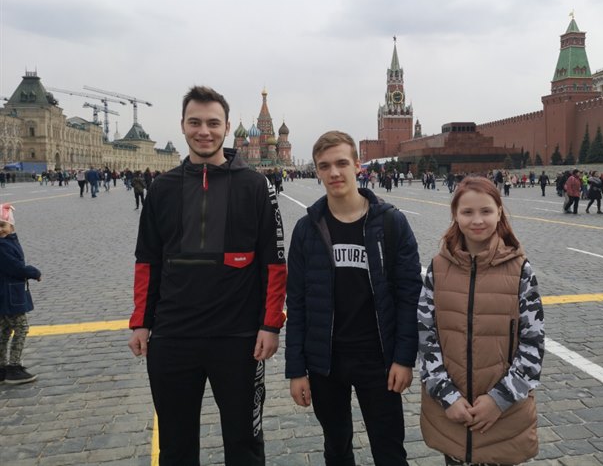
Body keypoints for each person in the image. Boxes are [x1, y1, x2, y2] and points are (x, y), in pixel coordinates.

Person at [127, 86, 287, 466]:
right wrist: (141, 322)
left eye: (213, 123)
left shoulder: (255, 186)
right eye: (195, 122)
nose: (204, 131)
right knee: (176, 447)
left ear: (227, 128)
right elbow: (147, 260)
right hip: (173, 337)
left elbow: (274, 263)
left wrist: (270, 325)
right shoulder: (162, 188)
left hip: (238, 339)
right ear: (182, 125)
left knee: (245, 444)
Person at [285, 131, 422, 466]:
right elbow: (297, 303)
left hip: (378, 358)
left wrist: (404, 358)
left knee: (389, 451)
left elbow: (409, 296)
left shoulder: (391, 223)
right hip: (325, 360)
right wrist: (296, 369)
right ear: (317, 171)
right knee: (336, 448)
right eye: (324, 166)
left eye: (341, 163)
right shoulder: (306, 229)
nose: (334, 172)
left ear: (357, 165)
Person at [417, 177, 544, 465]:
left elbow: (533, 344)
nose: (477, 220)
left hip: (504, 416)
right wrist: (447, 396)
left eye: (486, 211)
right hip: (452, 414)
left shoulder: (520, 270)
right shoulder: (438, 268)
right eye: (467, 212)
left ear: (499, 212)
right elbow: (426, 337)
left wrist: (499, 400)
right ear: (455, 215)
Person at [0, 203, 42, 385]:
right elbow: (14, 267)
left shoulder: (8, 241)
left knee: (4, 331)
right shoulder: (2, 245)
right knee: (21, 328)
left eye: (2, 225)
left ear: (11, 226)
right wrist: (33, 272)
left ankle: (2, 368)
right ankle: (13, 368)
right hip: (9, 296)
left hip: (8, 293)